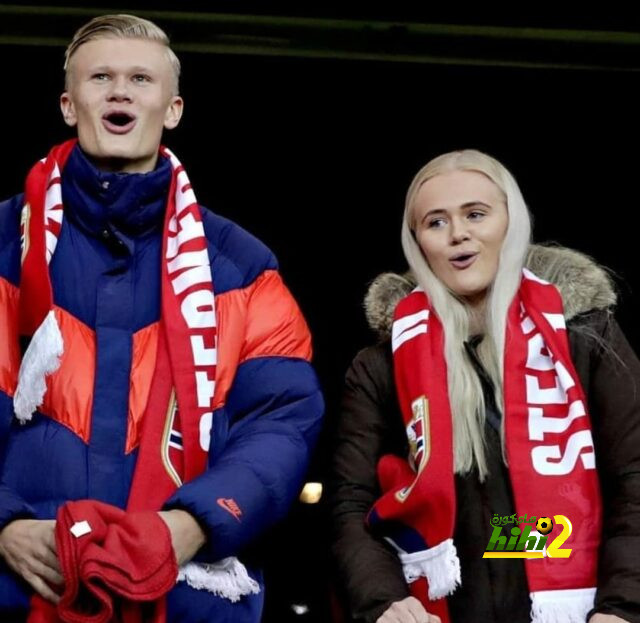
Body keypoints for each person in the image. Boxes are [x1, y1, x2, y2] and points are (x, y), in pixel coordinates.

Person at [0, 13, 324, 621]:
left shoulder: (243, 266)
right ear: (69, 105)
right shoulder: (0, 243)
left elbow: (281, 419)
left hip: (187, 596)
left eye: (140, 79)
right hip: (21, 589)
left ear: (173, 109)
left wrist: (195, 521)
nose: (120, 90)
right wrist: (3, 524)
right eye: (101, 77)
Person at [330, 149, 640, 623]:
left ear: (510, 222)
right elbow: (352, 503)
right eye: (435, 222)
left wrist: (622, 609)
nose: (458, 234)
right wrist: (385, 602)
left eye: (475, 214)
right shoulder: (382, 365)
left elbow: (634, 479)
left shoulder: (584, 339)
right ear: (417, 242)